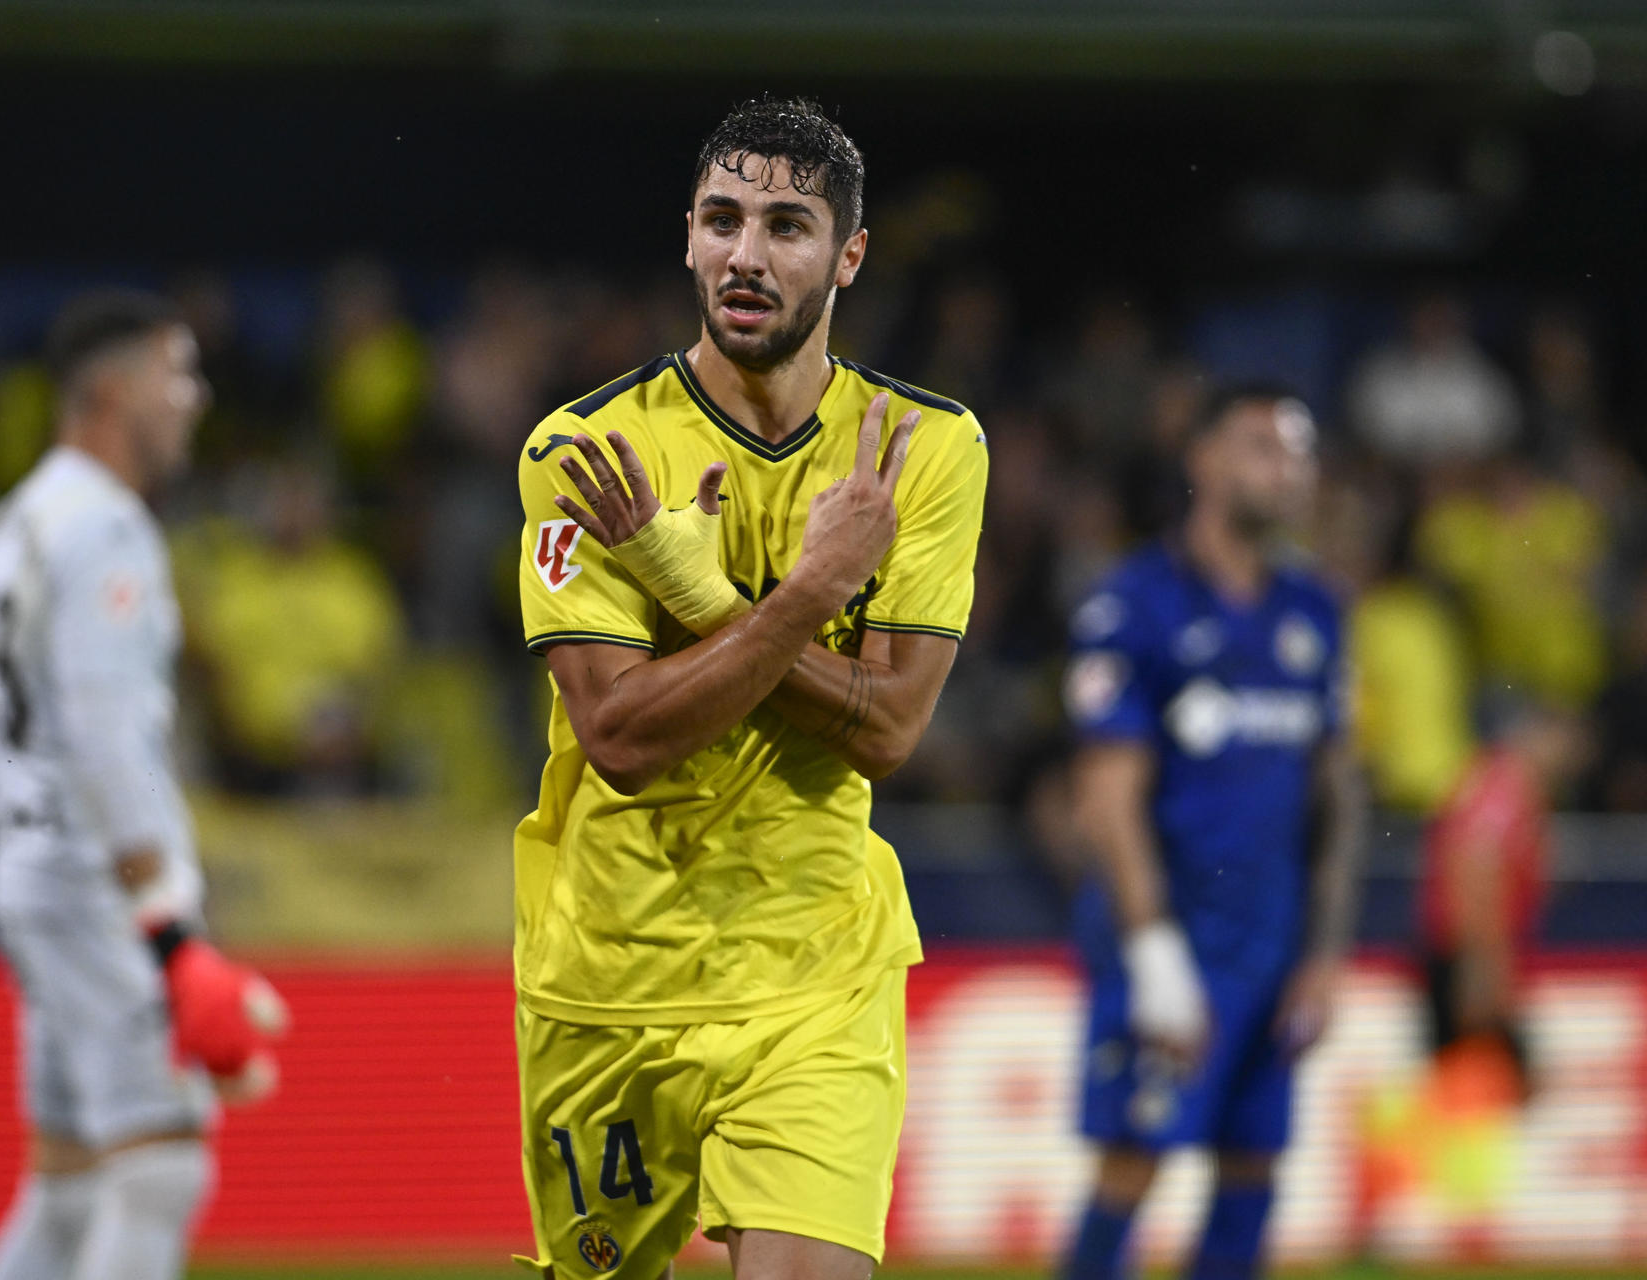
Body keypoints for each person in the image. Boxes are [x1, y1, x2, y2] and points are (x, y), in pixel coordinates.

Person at [511, 96, 988, 1280]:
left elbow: (889, 731)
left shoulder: (924, 449)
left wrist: (699, 598)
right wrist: (809, 590)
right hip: (614, 974)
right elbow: (620, 736)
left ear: (850, 255)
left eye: (787, 226)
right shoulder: (586, 448)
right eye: (722, 220)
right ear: (686, 237)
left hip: (816, 970)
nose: (746, 254)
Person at [0, 290, 286, 1280]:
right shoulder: (105, 529)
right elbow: (104, 732)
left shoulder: (22, 516)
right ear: (112, 392)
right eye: (176, 375)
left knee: (69, 1186)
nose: (194, 399)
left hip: (31, 866)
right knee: (159, 1166)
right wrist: (169, 928)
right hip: (95, 883)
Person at [1058, 386, 1368, 1280]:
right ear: (1204, 461)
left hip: (1273, 949)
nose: (1288, 467)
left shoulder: (1316, 613)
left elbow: (1336, 799)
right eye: (1263, 444)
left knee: (1252, 1171)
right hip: (1167, 943)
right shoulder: (1135, 604)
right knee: (1133, 1161)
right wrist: (1154, 954)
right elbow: (1107, 794)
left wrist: (1324, 953)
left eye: (1300, 450)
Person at [1418, 700, 1588, 1097]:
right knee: (1484, 1095)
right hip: (1471, 965)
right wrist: (1483, 977)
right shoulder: (1504, 787)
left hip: (1475, 961)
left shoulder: (1509, 788)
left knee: (1485, 1097)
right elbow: (1475, 873)